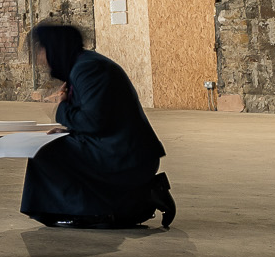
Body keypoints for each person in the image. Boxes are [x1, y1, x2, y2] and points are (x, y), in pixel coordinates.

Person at [22, 23, 176, 229]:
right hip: (117, 148)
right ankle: (126, 202)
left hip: (127, 157)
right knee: (52, 144)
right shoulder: (83, 65)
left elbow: (94, 122)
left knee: (45, 151)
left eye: (41, 51)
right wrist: (69, 131)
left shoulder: (88, 69)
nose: (40, 60)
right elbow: (102, 117)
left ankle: (90, 212)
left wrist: (61, 108)